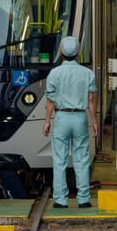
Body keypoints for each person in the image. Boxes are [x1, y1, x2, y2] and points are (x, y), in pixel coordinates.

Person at [42, 35, 97, 208]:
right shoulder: (87, 73)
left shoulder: (54, 73)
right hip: (80, 117)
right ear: (79, 52)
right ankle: (83, 199)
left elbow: (50, 101)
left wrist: (47, 121)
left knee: (60, 160)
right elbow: (91, 99)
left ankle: (60, 199)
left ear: (61, 52)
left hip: (61, 117)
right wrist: (94, 120)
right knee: (81, 158)